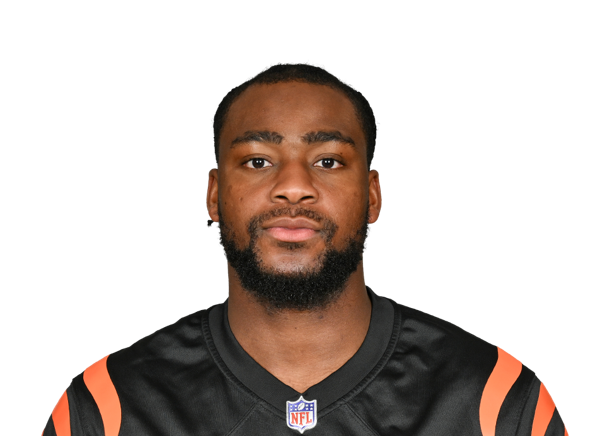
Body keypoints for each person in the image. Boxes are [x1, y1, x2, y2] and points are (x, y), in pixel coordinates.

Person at [43, 63, 568, 435]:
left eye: (328, 161)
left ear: (373, 195)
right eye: (257, 161)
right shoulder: (109, 407)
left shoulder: (494, 399)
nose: (294, 187)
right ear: (213, 195)